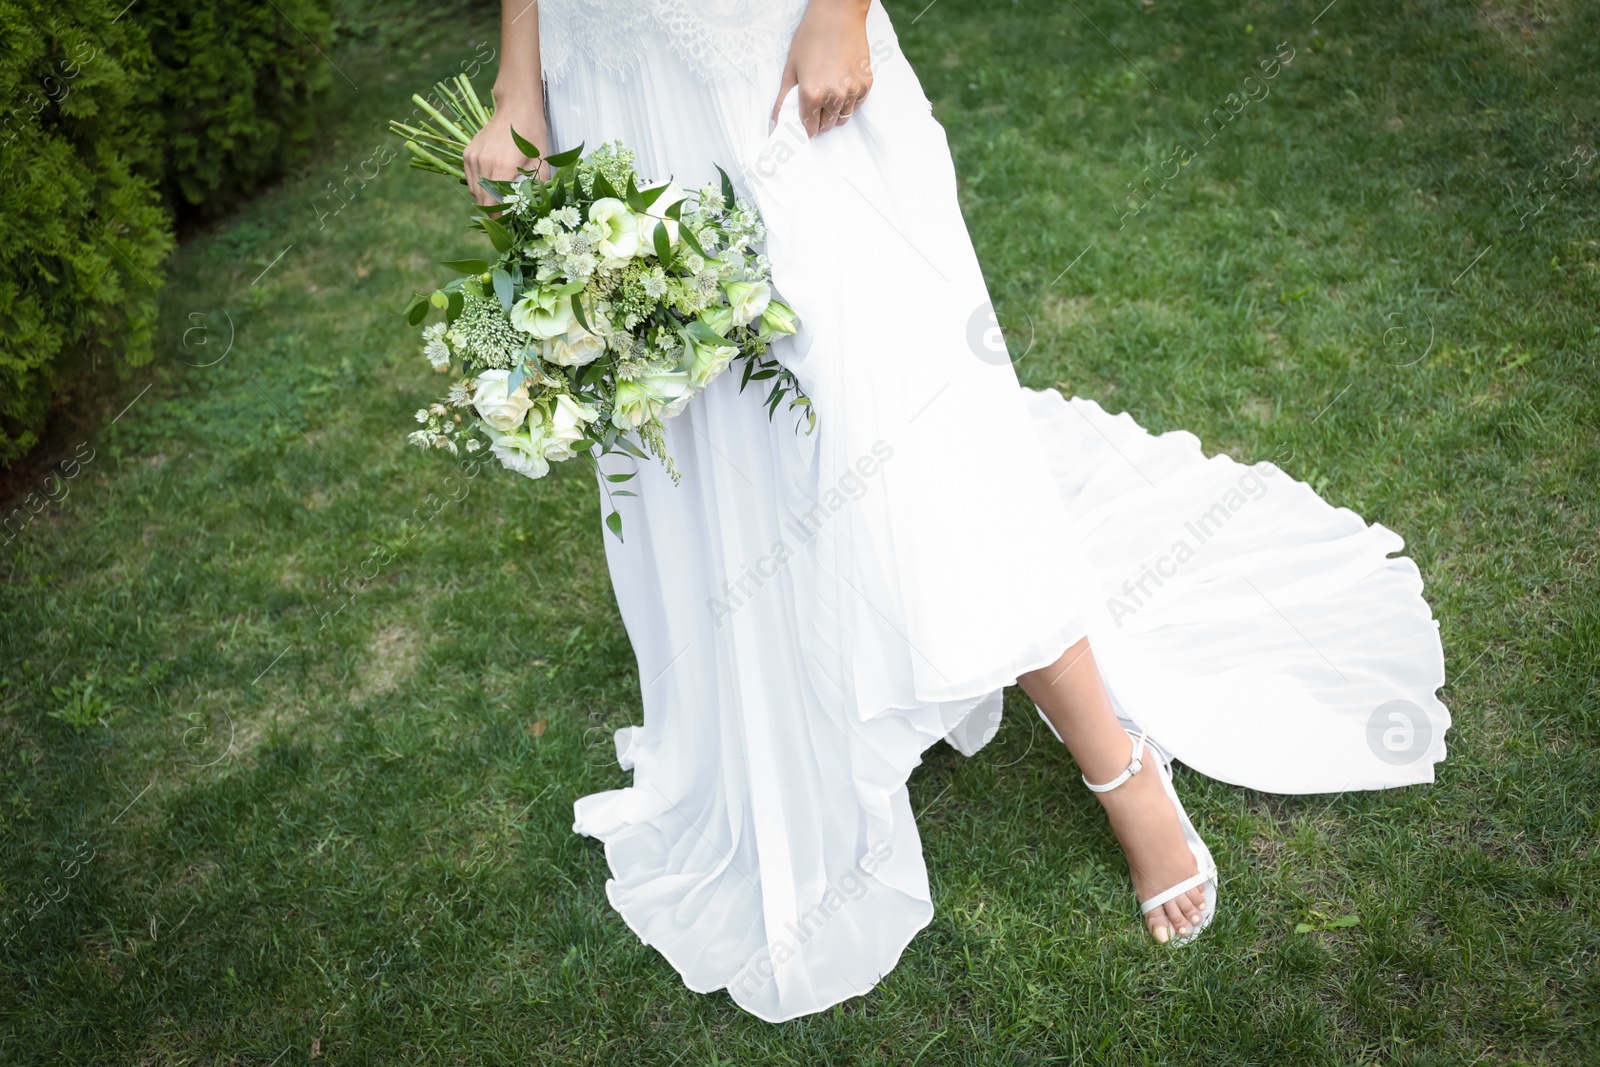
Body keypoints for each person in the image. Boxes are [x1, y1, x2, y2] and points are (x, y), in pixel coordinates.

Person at [462, 0, 1449, 1023]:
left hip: (770, 61)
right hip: (620, 82)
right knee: (727, 441)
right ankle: (820, 696)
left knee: (909, 436)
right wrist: (518, 88)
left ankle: (1117, 761)